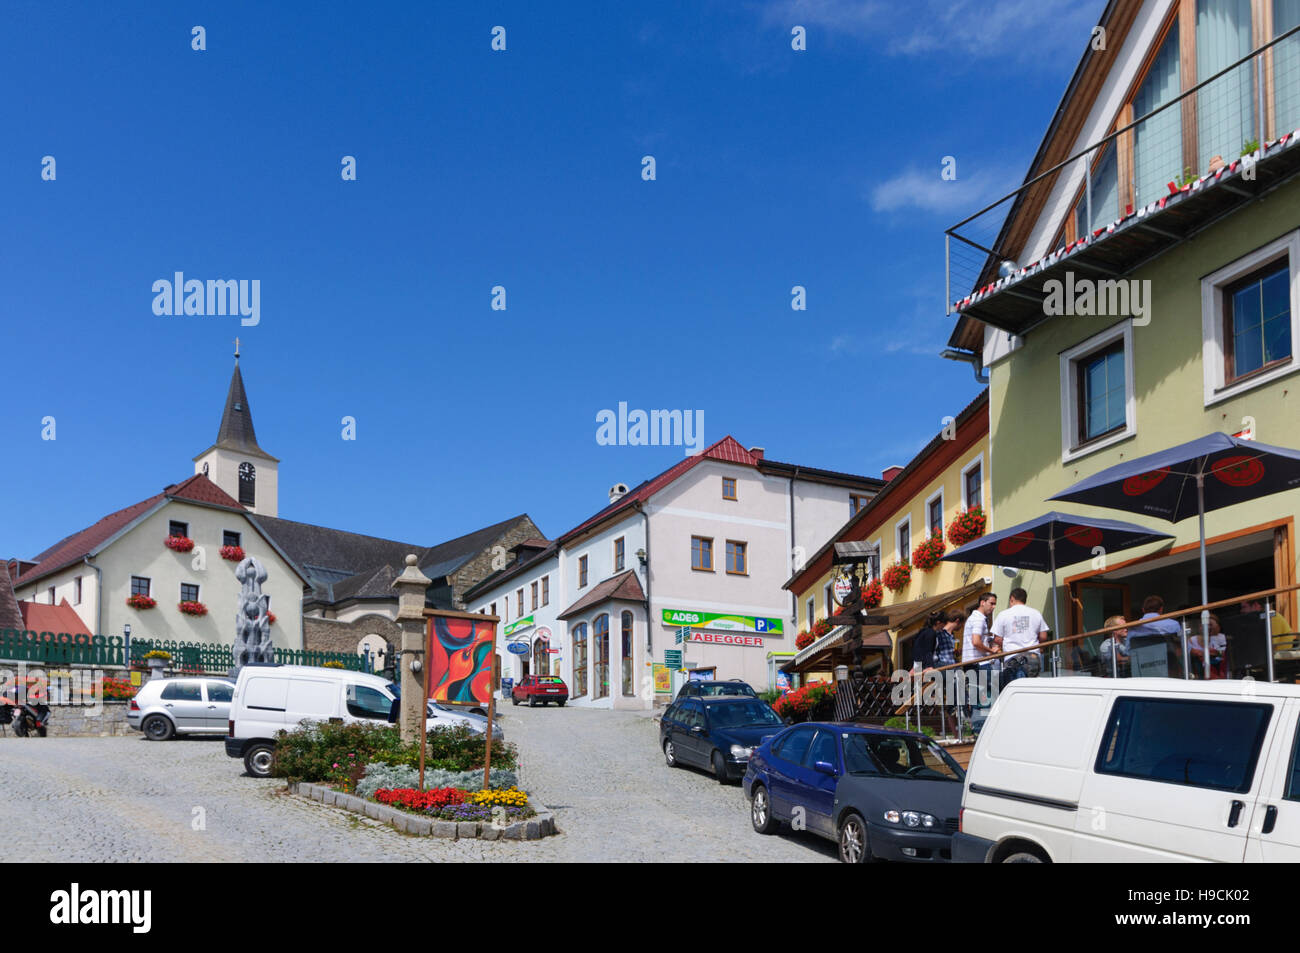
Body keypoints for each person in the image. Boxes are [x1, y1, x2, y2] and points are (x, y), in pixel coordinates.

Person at [992, 588, 1049, 690]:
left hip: (1013, 657)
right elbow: (1043, 636)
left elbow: (997, 639)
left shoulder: (1003, 614)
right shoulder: (1036, 613)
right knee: (1033, 690)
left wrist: (1004, 644)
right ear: (1025, 600)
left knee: (1015, 691)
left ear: (1012, 599)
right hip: (1033, 657)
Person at [1126, 595, 1182, 677]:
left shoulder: (1134, 628)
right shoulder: (1173, 624)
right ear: (1161, 609)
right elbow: (1183, 649)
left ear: (1143, 610)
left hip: (1141, 673)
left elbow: (1128, 653)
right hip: (1169, 671)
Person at [1189, 613, 1227, 679]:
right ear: (1200, 626)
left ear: (1218, 627)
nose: (1208, 628)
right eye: (1206, 625)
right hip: (1199, 674)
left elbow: (1224, 655)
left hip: (1218, 672)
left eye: (1211, 625)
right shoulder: (1192, 640)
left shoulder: (1221, 638)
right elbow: (1191, 654)